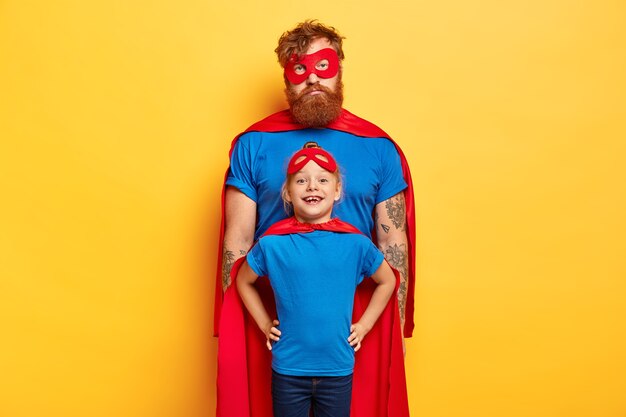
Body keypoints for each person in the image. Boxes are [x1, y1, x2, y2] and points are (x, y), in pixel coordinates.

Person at [215, 20, 414, 417]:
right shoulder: (252, 144)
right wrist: (239, 324)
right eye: (299, 70)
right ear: (286, 80)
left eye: (323, 67)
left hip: (353, 319)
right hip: (277, 318)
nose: (312, 80)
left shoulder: (377, 147)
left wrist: (394, 323)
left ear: (340, 69)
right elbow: (237, 243)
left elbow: (392, 243)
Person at [236, 144, 396, 417]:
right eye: (301, 180)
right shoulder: (272, 244)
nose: (312, 186)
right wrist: (264, 323)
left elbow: (388, 280)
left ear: (337, 191)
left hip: (337, 368)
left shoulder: (356, 243)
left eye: (323, 180)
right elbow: (242, 281)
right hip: (288, 369)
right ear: (287, 192)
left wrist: (366, 324)